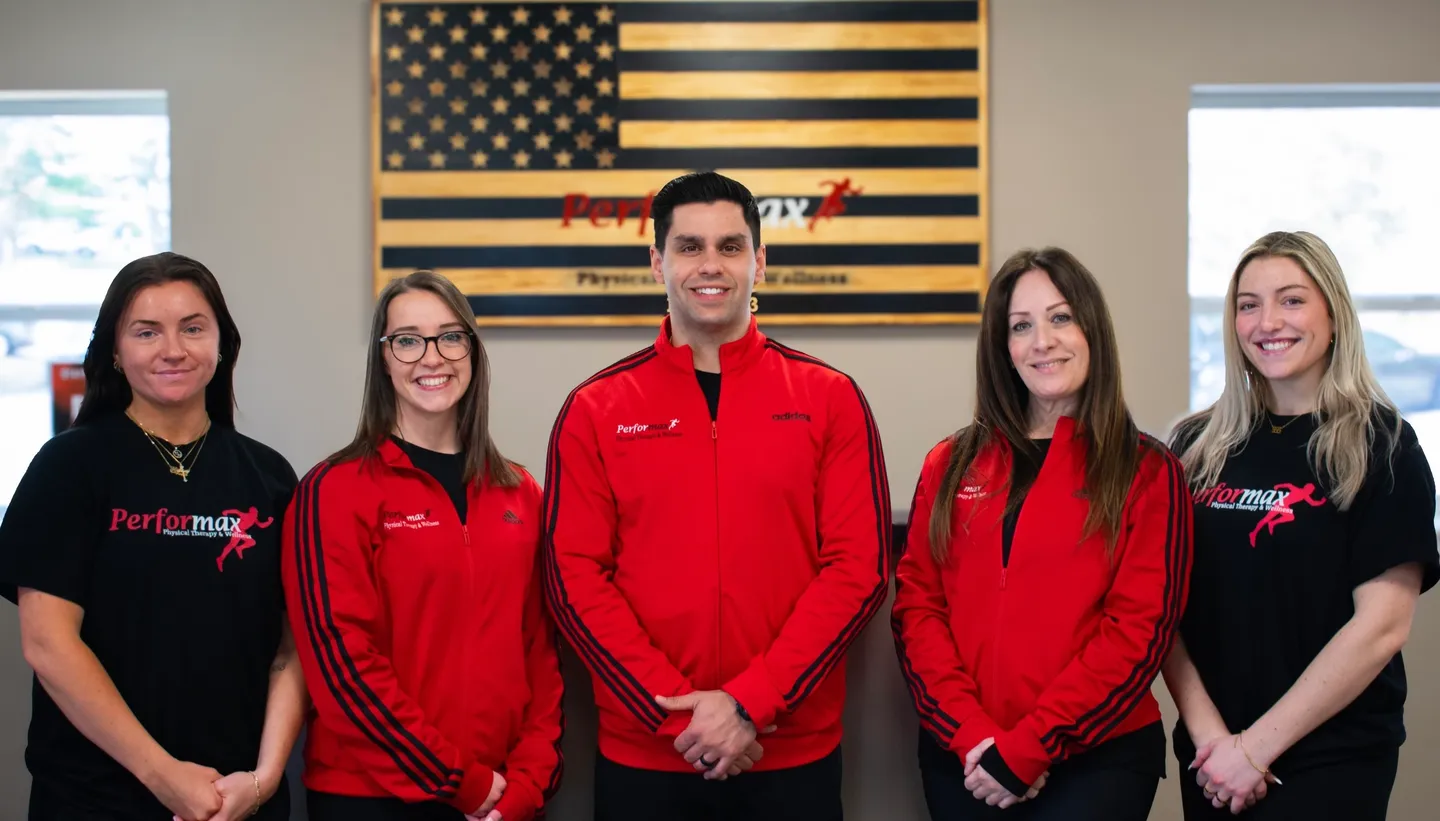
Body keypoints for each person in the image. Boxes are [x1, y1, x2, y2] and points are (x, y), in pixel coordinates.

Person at [542, 171, 890, 821]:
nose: (711, 265)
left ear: (760, 262)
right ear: (657, 263)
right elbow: (574, 579)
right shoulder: (595, 409)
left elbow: (858, 571)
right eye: (689, 246)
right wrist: (676, 710)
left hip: (788, 755)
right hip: (648, 753)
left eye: (731, 246)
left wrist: (749, 702)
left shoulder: (829, 398)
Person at [0, 252, 306, 820]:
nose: (173, 349)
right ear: (115, 351)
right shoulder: (68, 467)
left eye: (193, 328)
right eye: (147, 332)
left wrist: (262, 782)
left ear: (221, 343)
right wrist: (166, 778)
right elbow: (48, 644)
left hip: (239, 800)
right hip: (96, 799)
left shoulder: (270, 476)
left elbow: (290, 653)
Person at [892, 247, 1193, 820]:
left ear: (1091, 329)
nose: (1042, 341)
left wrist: (1030, 749)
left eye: (1060, 318)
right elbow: (918, 611)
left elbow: (1138, 632)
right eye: (1021, 326)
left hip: (1097, 762)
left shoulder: (1149, 471)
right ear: (1003, 348)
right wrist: (973, 737)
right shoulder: (949, 464)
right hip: (965, 758)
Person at [1163, 231, 1439, 819]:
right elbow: (1163, 607)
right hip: (1210, 758)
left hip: (1331, 761)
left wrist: (1255, 751)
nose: (1268, 321)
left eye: (1291, 300)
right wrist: (1213, 738)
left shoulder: (1381, 445)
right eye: (1248, 304)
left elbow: (1382, 628)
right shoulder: (1194, 447)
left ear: (1333, 316)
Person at [280, 270, 564, 821]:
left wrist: (528, 785)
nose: (431, 357)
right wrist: (460, 783)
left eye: (450, 336)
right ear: (383, 360)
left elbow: (541, 653)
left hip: (505, 799)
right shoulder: (333, 491)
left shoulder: (521, 492)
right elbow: (343, 666)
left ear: (473, 352)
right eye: (407, 340)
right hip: (372, 800)